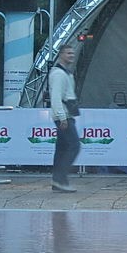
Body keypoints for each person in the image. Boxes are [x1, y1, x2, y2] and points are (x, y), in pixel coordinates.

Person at [49, 44, 81, 193]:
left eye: (72, 53)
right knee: (74, 145)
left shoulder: (65, 74)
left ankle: (58, 180)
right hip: (64, 115)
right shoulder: (59, 75)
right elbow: (56, 97)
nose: (71, 56)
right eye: (68, 53)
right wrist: (62, 117)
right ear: (61, 55)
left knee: (62, 148)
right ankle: (60, 179)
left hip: (66, 114)